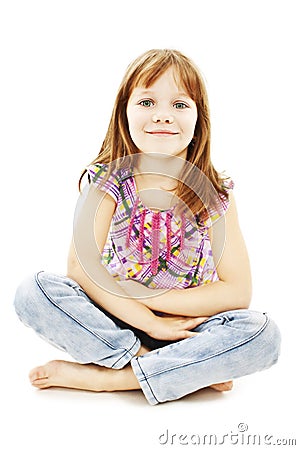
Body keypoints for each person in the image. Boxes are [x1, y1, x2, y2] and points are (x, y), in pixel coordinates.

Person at [14, 49, 281, 405]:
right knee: (33, 292)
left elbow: (236, 293)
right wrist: (147, 321)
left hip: (190, 328)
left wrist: (157, 305)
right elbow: (81, 268)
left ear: (200, 118)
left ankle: (112, 379)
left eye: (180, 105)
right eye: (147, 101)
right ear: (124, 113)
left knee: (263, 335)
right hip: (115, 318)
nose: (163, 116)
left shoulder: (214, 194)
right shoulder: (108, 181)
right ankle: (162, 367)